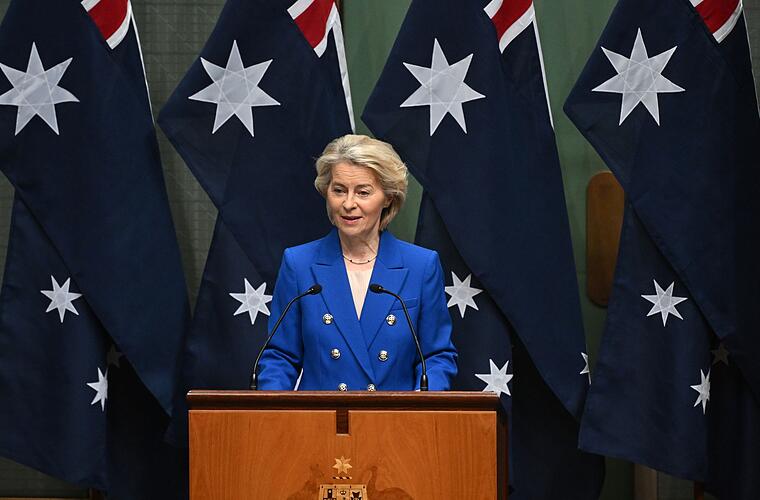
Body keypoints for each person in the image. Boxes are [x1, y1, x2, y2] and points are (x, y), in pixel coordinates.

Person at [257, 134, 457, 391]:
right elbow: (280, 357)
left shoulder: (421, 266)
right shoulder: (299, 264)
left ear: (388, 197)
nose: (348, 204)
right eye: (339, 190)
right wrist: (275, 407)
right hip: (321, 415)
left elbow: (436, 357)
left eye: (363, 192)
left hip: (394, 415)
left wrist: (421, 404)